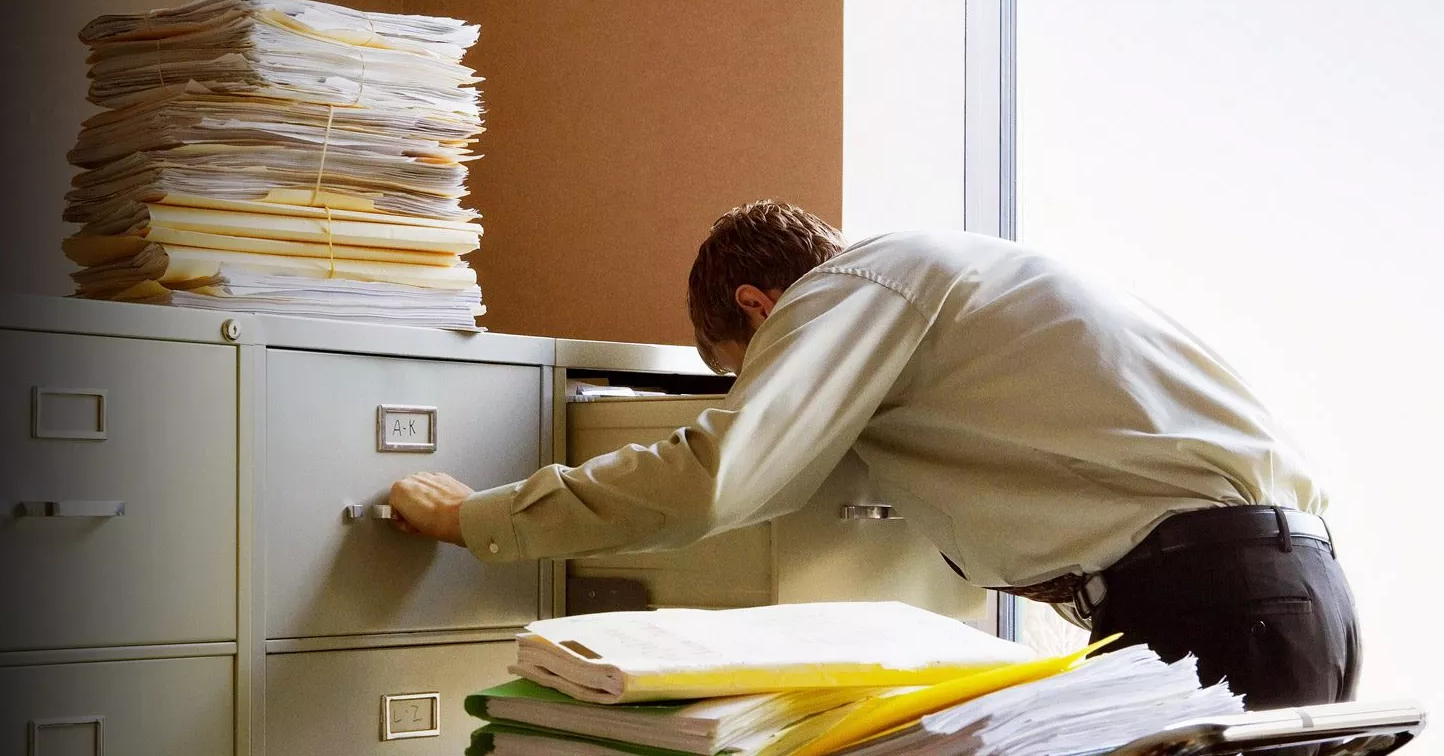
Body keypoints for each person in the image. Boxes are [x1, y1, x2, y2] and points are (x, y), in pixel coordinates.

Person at [385, 199, 1359, 711]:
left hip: (1216, 605)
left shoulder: (846, 291)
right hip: (1290, 593)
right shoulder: (952, 275)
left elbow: (723, 472)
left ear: (758, 309)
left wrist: (480, 515)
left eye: (745, 372)